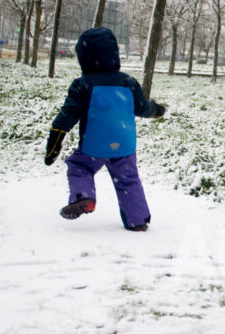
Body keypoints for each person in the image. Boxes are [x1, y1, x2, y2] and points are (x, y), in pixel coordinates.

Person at [44, 27, 165, 232]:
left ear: (85, 58)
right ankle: (137, 220)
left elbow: (66, 117)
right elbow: (143, 108)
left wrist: (54, 145)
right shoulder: (128, 82)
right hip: (124, 145)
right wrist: (157, 110)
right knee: (128, 179)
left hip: (94, 145)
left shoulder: (83, 85)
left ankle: (84, 197)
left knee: (79, 167)